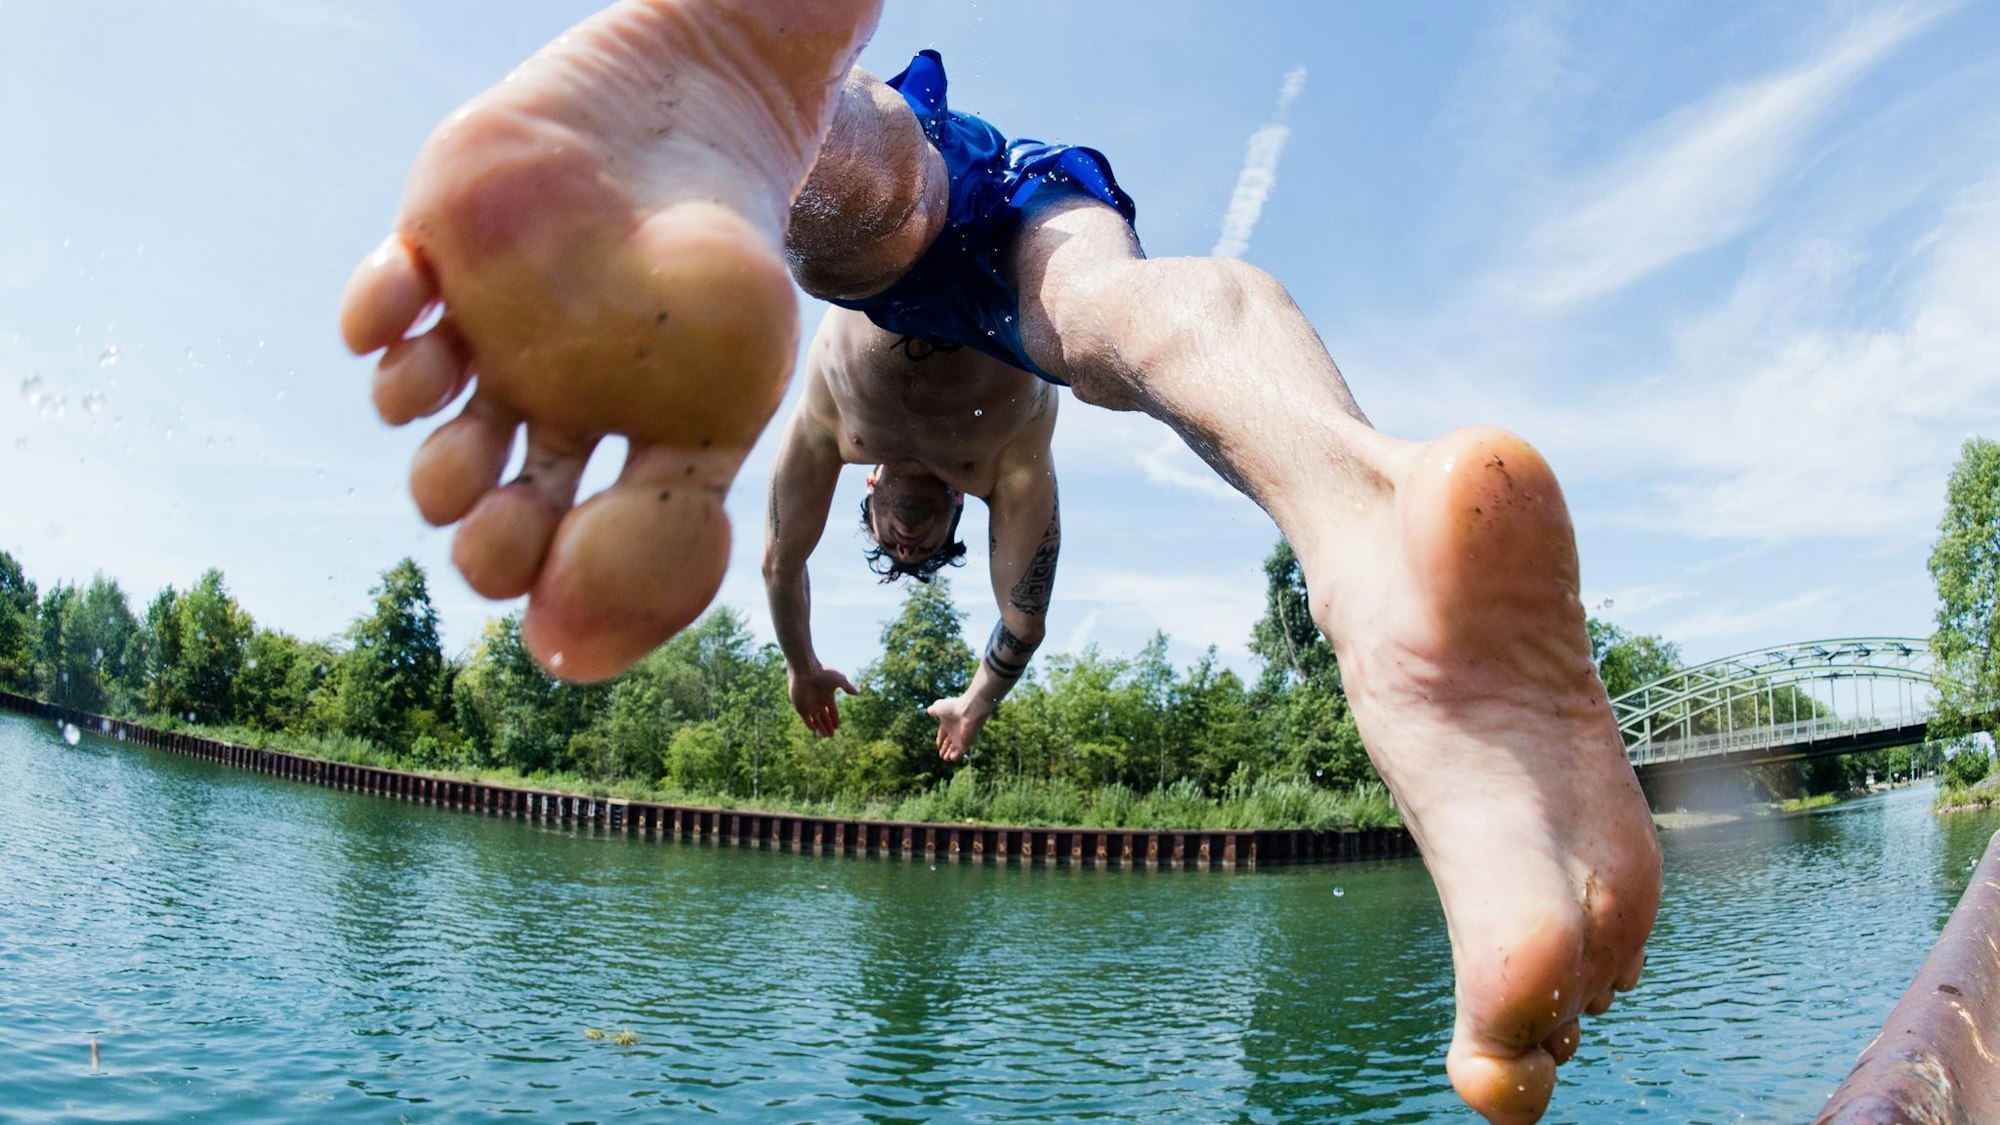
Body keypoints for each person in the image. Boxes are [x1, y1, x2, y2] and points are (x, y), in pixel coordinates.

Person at [336, 4, 1662, 1122]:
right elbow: (955, 605)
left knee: (930, 260)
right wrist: (935, 690)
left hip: (964, 196)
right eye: (924, 550)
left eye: (903, 543)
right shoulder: (959, 458)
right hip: (1018, 293)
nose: (914, 541)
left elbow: (796, 569)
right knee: (1098, 331)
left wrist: (830, 663)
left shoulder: (897, 442)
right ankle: (1369, 532)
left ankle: (748, 104)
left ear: (877, 507)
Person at [763, 296, 1063, 762]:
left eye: (889, 544)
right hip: (997, 284)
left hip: (872, 275)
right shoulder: (1001, 464)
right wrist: (974, 705)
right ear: (959, 500)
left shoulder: (833, 425)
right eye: (925, 549)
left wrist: (801, 668)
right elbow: (1024, 622)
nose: (905, 547)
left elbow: (780, 566)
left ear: (870, 490)